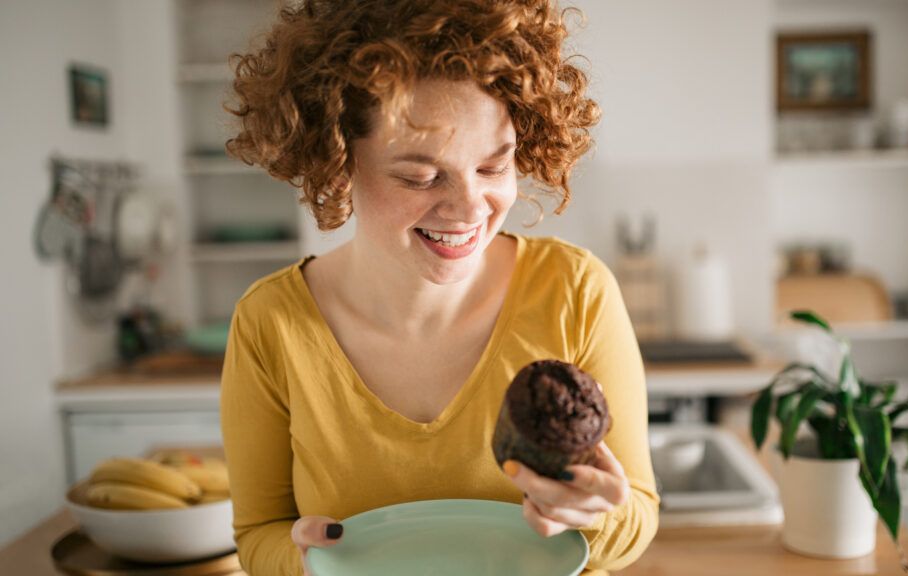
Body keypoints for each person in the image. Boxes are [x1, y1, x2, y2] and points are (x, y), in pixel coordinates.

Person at [220, 1, 659, 574]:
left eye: (492, 167)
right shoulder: (270, 323)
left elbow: (638, 518)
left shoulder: (576, 291)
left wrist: (590, 513)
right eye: (420, 176)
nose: (470, 208)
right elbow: (258, 534)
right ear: (337, 164)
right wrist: (302, 561)